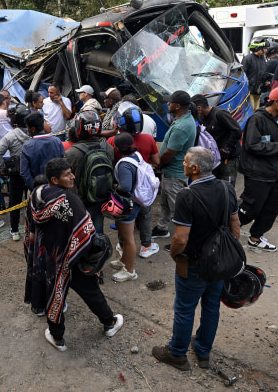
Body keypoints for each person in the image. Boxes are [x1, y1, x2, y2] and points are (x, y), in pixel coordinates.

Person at [152, 147, 239, 371]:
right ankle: (203, 351)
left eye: (186, 162)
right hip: (219, 262)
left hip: (193, 263)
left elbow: (181, 238)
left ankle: (177, 353)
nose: (183, 164)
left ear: (195, 168)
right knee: (211, 306)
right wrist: (227, 251)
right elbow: (235, 225)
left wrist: (174, 254)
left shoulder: (187, 195)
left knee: (185, 308)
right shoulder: (226, 187)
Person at [30, 158, 124, 351]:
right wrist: (91, 260)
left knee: (54, 294)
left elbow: (32, 229)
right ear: (55, 179)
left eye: (71, 172)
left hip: (50, 258)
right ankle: (109, 323)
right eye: (67, 174)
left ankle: (57, 338)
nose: (73, 177)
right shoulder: (71, 201)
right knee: (91, 292)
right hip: (74, 259)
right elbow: (87, 233)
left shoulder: (37, 197)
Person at [238, 87, 278, 252]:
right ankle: (226, 231)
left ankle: (256, 237)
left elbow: (275, 140)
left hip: (276, 171)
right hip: (258, 172)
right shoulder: (257, 119)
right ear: (277, 101)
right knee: (251, 207)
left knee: (271, 207)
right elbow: (252, 145)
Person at [107, 103, 160, 256]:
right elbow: (156, 161)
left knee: (122, 218)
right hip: (142, 187)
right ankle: (146, 246)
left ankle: (122, 246)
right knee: (145, 215)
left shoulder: (113, 141)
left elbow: (109, 163)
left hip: (122, 188)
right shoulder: (148, 139)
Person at [153, 90, 197, 239]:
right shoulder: (184, 119)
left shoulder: (181, 127)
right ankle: (162, 228)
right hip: (171, 172)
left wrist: (157, 164)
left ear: (177, 106)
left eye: (170, 102)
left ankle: (185, 240)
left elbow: (170, 153)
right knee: (165, 203)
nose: (167, 104)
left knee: (178, 209)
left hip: (174, 174)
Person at [65, 110, 114, 236]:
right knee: (98, 229)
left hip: (81, 201)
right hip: (102, 197)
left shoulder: (72, 153)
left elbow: (68, 181)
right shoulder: (108, 148)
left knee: (81, 232)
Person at [107, 132, 146, 282]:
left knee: (128, 239)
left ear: (117, 148)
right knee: (125, 235)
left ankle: (129, 270)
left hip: (129, 204)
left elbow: (125, 187)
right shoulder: (137, 156)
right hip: (136, 201)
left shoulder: (125, 164)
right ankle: (123, 261)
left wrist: (115, 185)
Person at [0, 104, 32, 241]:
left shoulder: (10, 136)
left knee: (14, 203)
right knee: (31, 202)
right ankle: (31, 229)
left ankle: (15, 230)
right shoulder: (34, 135)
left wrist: (3, 168)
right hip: (31, 174)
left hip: (15, 175)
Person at [191, 95, 241, 186]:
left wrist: (227, 147)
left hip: (228, 158)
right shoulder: (201, 118)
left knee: (227, 185)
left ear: (199, 108)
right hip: (215, 158)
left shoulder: (219, 114)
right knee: (215, 184)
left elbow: (236, 130)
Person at [20, 111, 65, 190]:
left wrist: (34, 188)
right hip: (57, 188)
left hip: (38, 189)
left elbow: (24, 172)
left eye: (27, 127)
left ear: (33, 129)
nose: (27, 129)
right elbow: (64, 163)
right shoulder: (57, 141)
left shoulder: (27, 146)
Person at [242, 37, 268, 111]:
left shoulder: (262, 58)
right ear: (258, 48)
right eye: (264, 48)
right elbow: (243, 73)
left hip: (258, 90)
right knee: (251, 109)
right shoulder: (248, 59)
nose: (266, 50)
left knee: (256, 109)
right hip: (249, 90)